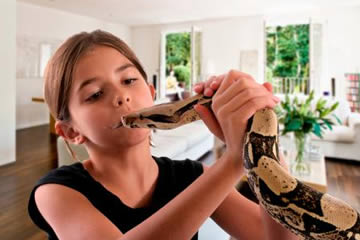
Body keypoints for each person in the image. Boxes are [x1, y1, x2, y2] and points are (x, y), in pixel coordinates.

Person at [28, 30, 298, 240]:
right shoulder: (56, 191)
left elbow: (276, 236)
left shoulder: (192, 177)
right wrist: (233, 161)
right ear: (71, 131)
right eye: (95, 94)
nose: (122, 96)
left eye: (128, 80)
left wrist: (261, 140)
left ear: (152, 95)